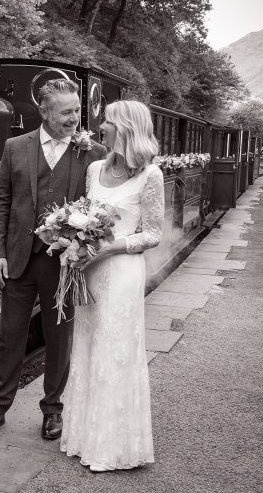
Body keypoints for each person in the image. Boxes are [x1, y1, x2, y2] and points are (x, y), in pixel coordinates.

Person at [0, 79, 107, 439]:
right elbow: (1, 203)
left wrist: (84, 247)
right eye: (65, 112)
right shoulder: (15, 147)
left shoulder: (92, 153)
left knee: (59, 337)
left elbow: (100, 209)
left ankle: (53, 409)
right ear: (45, 112)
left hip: (64, 263)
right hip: (18, 259)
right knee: (9, 336)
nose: (73, 119)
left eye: (76, 112)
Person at [61, 100, 163, 471]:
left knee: (115, 352)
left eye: (106, 123)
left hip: (120, 272)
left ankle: (114, 448)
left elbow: (152, 233)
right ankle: (83, 438)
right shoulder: (93, 169)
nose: (100, 127)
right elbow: (87, 216)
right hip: (90, 272)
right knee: (87, 347)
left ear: (124, 129)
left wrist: (109, 248)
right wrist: (74, 241)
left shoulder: (150, 175)